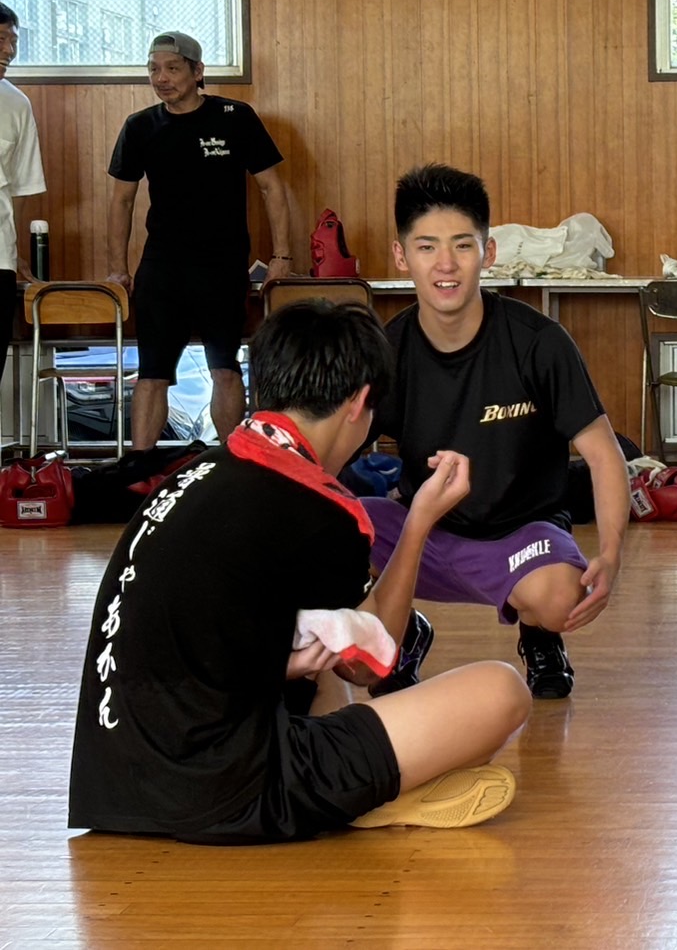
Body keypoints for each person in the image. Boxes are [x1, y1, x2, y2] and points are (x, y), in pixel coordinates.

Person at [68, 300, 532, 843]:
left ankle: (366, 785)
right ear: (358, 402)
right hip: (228, 790)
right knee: (502, 691)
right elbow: (370, 664)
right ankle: (363, 797)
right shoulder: (319, 506)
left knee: (319, 645)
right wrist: (419, 522)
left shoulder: (199, 472)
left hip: (117, 784)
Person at [363, 163, 629, 701]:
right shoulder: (387, 351)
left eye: (462, 246)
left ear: (488, 253)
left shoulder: (538, 343)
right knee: (335, 531)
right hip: (422, 533)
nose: (445, 264)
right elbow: (333, 453)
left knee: (559, 597)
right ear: (401, 256)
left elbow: (604, 456)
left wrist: (612, 552)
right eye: (426, 247)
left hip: (519, 540)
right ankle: (402, 633)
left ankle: (539, 635)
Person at [105, 31, 295, 450]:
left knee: (224, 368)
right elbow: (121, 201)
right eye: (154, 69)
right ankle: (141, 468)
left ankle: (233, 465)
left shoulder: (235, 117)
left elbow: (272, 188)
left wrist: (282, 256)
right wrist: (118, 268)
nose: (161, 78)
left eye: (172, 68)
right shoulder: (140, 126)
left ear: (197, 71)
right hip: (162, 266)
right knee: (152, 373)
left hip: (222, 264)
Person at [0, 1, 46, 388]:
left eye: (13, 41)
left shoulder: (16, 103)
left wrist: (15, 253)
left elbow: (21, 186)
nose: (9, 50)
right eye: (1, 39)